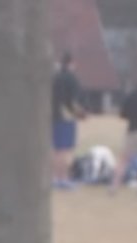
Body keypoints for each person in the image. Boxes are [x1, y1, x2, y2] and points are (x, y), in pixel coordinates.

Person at [51, 51, 86, 190]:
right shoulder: (72, 79)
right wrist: (81, 114)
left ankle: (53, 177)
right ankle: (63, 178)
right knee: (65, 150)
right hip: (66, 117)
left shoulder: (55, 78)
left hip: (53, 116)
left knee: (55, 149)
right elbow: (73, 102)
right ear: (72, 63)